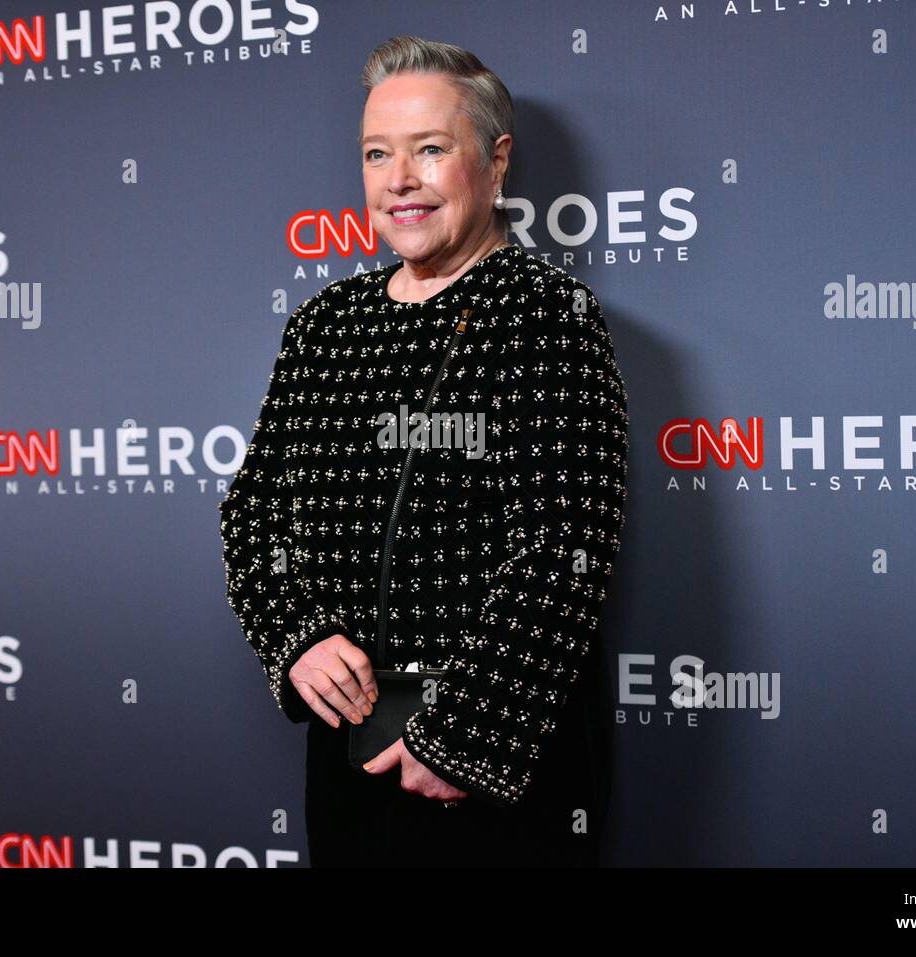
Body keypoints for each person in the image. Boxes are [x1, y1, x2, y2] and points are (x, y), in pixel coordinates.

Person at [218, 35, 628, 867]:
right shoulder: (325, 325)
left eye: (430, 149)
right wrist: (297, 635)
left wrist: (461, 735)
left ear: (496, 160)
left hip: (498, 764)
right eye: (378, 154)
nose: (399, 179)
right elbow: (253, 514)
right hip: (348, 756)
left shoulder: (551, 317)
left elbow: (565, 549)